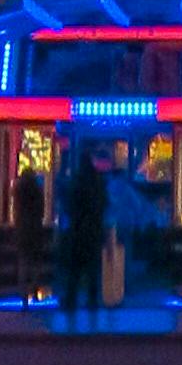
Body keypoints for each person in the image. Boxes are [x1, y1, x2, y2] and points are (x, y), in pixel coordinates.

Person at [58, 134, 109, 332]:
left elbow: (70, 205)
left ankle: (71, 300)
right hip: (94, 231)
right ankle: (92, 300)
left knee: (75, 269)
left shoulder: (76, 181)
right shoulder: (98, 182)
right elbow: (104, 204)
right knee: (92, 269)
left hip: (78, 231)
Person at [11, 147, 52, 313]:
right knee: (35, 262)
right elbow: (41, 210)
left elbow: (16, 210)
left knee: (23, 263)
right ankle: (35, 289)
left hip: (22, 230)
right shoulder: (37, 190)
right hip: (35, 229)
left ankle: (23, 298)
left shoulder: (18, 190)